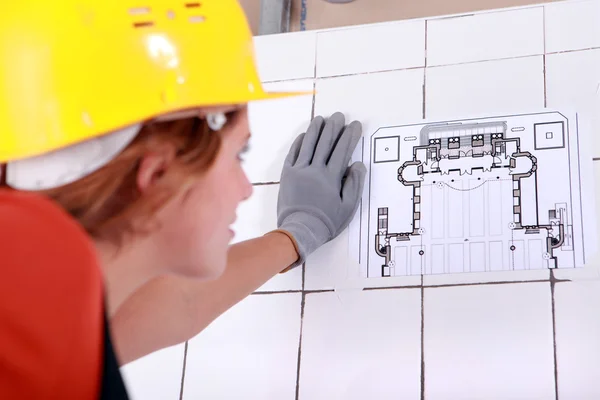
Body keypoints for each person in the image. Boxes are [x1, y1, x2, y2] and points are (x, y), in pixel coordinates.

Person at [0, 0, 366, 397]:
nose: (246, 188)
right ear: (157, 176)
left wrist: (298, 234)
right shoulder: (34, 366)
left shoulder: (39, 288)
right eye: (237, 155)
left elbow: (178, 304)